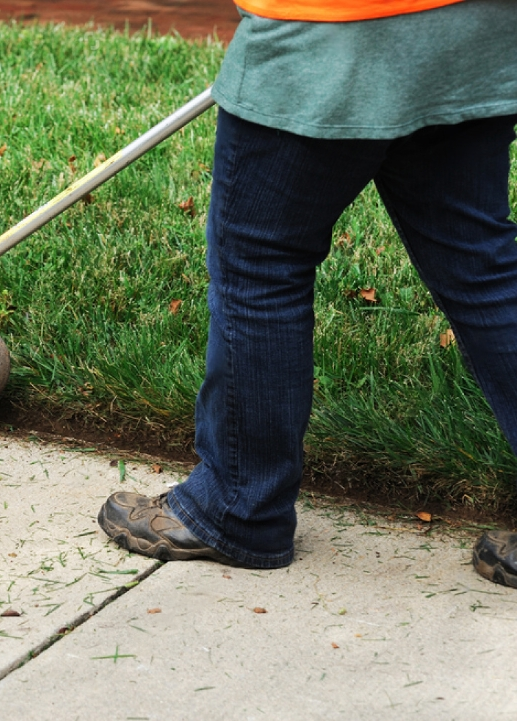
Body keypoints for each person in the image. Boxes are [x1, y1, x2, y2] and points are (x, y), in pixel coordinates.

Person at [97, 0, 517, 588]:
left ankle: (238, 508)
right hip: (474, 26)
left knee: (261, 266)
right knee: (485, 272)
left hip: (331, 30)